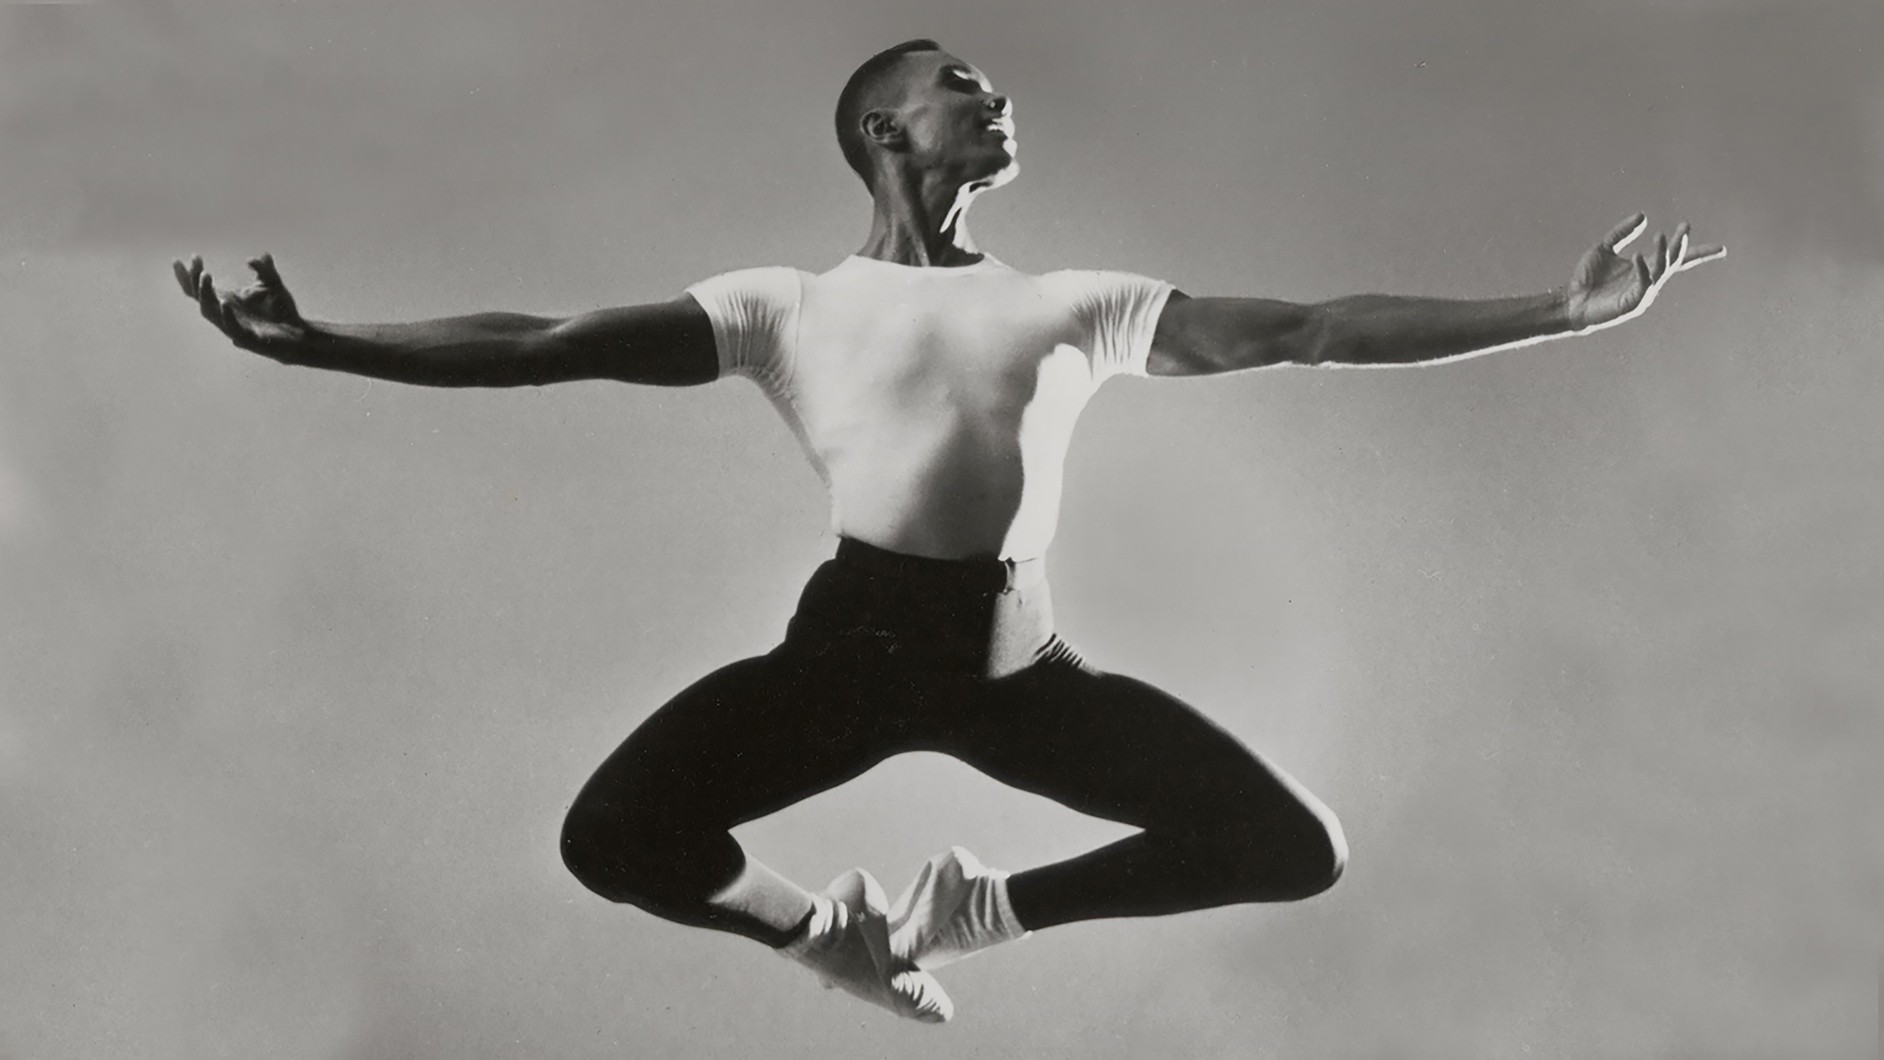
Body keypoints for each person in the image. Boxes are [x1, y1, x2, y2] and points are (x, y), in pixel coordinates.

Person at [173, 39, 1724, 1025]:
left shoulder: (1073, 306)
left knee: (1291, 847)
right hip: (840, 661)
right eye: (959, 83)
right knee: (611, 842)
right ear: (883, 133)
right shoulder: (785, 307)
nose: (994, 95)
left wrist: (1560, 316)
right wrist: (329, 345)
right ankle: (826, 942)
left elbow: (1312, 325)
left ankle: (974, 913)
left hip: (1016, 670)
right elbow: (540, 342)